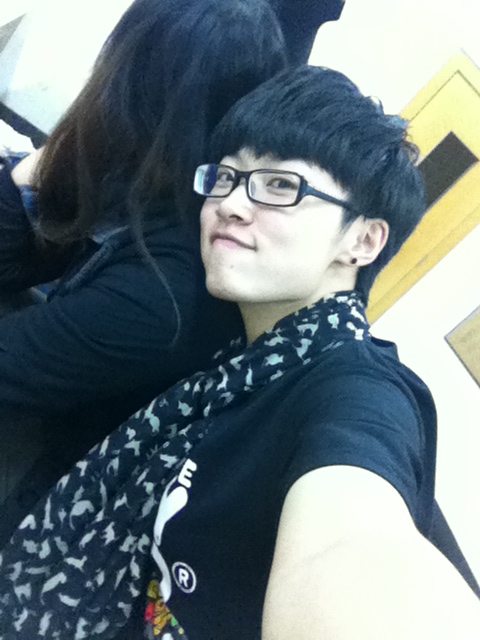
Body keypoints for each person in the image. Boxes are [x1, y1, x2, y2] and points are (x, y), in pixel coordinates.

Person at [1, 65, 479, 639]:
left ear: (362, 240)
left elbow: (351, 541)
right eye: (226, 176)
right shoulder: (240, 343)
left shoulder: (353, 390)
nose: (230, 203)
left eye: (281, 186)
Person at [0, 0, 345, 540]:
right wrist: (40, 166)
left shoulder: (167, 289)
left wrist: (38, 164)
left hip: (55, 492)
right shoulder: (162, 183)